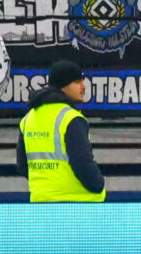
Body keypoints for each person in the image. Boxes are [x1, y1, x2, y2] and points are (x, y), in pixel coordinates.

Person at [16, 60, 106, 203]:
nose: (83, 87)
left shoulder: (28, 119)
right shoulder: (71, 118)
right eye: (77, 82)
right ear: (63, 86)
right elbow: (82, 163)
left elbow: (22, 165)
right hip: (79, 202)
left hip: (41, 200)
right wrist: (98, 185)